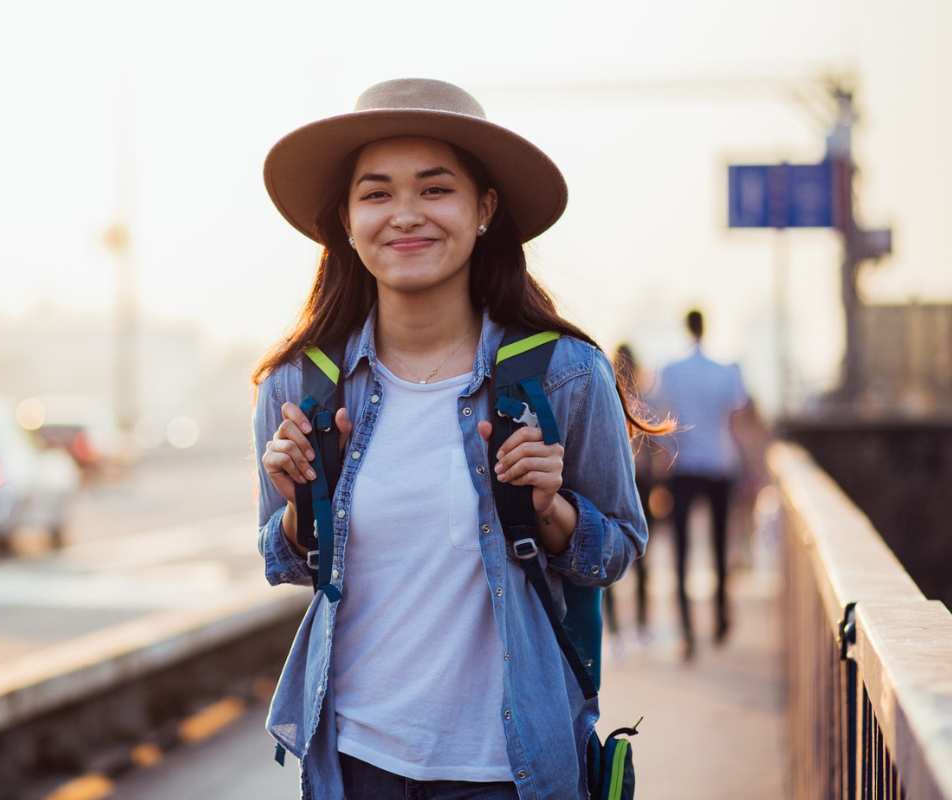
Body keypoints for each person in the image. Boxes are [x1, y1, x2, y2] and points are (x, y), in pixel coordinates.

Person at [252, 78, 664, 800]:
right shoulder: (301, 385)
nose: (405, 215)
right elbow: (285, 562)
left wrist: (551, 512)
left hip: (508, 770)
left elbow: (619, 548)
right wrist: (297, 506)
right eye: (376, 194)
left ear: (483, 210)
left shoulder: (564, 375)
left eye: (435, 190)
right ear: (346, 221)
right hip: (353, 763)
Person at [652, 309, 749, 661]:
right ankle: (721, 618)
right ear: (706, 327)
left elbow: (660, 421)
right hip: (720, 464)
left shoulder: (671, 371)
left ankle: (687, 631)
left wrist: (664, 457)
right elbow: (737, 420)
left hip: (684, 466)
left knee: (681, 552)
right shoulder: (726, 371)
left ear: (684, 326)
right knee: (720, 546)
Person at [602, 344, 656, 646]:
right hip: (640, 484)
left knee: (609, 556)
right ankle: (640, 626)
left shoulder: (604, 396)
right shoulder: (641, 402)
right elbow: (652, 453)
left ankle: (618, 630)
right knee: (641, 557)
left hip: (611, 485)